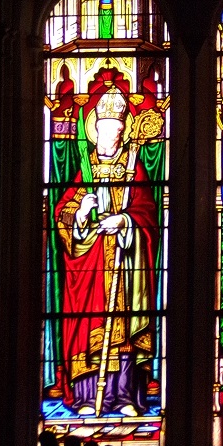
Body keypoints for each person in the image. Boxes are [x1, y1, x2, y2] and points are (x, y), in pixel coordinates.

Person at [54, 84, 159, 417]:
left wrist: (126, 222)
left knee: (125, 329)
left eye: (116, 127)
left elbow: (147, 213)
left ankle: (126, 397)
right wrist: (80, 214)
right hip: (91, 267)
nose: (110, 133)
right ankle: (87, 398)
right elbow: (63, 213)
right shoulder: (83, 171)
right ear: (95, 128)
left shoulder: (134, 167)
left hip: (126, 265)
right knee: (90, 327)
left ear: (124, 129)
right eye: (103, 126)